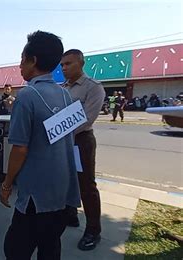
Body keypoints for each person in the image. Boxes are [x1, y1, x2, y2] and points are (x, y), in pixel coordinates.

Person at [0, 31, 81, 260]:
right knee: (50, 248)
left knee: (15, 249)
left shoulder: (26, 96)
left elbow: (20, 149)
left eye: (22, 59)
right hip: (62, 189)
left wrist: (6, 185)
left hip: (37, 196)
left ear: (33, 60)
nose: (19, 65)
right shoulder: (66, 95)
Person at [61, 49, 106, 251]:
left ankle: (93, 230)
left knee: (87, 185)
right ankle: (71, 214)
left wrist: (58, 130)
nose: (64, 68)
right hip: (62, 141)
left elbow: (87, 118)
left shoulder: (93, 87)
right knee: (66, 179)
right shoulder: (62, 88)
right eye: (62, 65)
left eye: (68, 64)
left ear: (81, 63)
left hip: (81, 141)